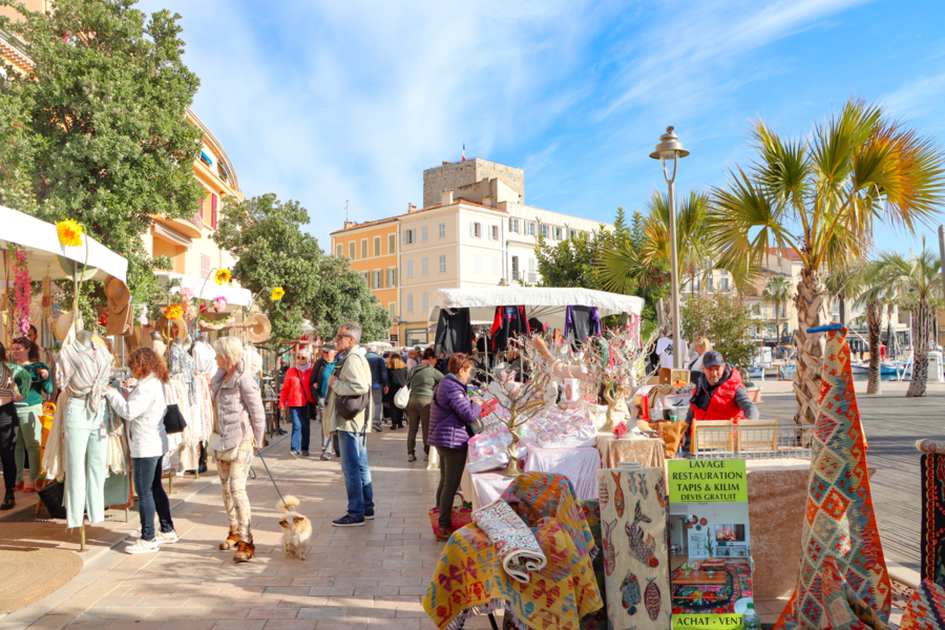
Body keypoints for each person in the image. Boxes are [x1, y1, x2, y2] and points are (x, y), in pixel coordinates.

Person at [104, 348, 177, 554]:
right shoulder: (155, 382)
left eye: (132, 366)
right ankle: (167, 529)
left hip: (146, 445)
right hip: (154, 442)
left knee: (144, 492)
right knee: (154, 488)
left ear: (141, 364)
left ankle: (148, 537)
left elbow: (129, 411)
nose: (131, 370)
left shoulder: (147, 386)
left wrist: (111, 393)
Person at [210, 336, 266, 562]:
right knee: (225, 489)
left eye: (216, 354)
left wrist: (258, 441)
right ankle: (233, 530)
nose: (214, 358)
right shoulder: (220, 377)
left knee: (237, 488)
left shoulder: (245, 380)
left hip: (241, 440)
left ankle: (246, 540)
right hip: (221, 440)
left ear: (227, 357)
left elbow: (257, 412)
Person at [427, 353, 483, 541]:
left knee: (445, 482)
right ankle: (443, 527)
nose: (469, 375)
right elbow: (468, 415)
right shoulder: (452, 387)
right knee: (450, 484)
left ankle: (440, 520)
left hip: (444, 437)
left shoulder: (447, 383)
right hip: (451, 439)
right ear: (461, 371)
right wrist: (477, 404)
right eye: (468, 372)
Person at [324, 322, 375, 527]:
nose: (335, 340)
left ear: (351, 339)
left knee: (350, 466)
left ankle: (355, 512)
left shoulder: (352, 358)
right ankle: (366, 507)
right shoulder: (352, 356)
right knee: (360, 464)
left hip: (350, 420)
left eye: (339, 337)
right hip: (355, 420)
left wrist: (334, 383)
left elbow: (359, 386)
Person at [10, 337, 53, 492]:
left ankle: (34, 478)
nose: (14, 351)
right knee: (16, 446)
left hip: (31, 408)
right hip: (12, 408)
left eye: (18, 348)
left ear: (28, 349)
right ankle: (18, 478)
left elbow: (48, 389)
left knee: (32, 445)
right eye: (13, 349)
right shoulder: (10, 367)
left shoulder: (38, 366)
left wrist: (46, 378)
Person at [686, 350, 758, 424]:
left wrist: (750, 422)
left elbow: (750, 407)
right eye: (710, 369)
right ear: (703, 368)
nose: (714, 373)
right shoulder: (700, 386)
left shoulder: (735, 388)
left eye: (717, 369)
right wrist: (684, 431)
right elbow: (690, 416)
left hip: (725, 433)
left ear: (723, 366)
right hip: (697, 433)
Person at [405, 348, 443, 463]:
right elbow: (445, 381)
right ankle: (427, 453)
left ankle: (410, 453)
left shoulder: (413, 369)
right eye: (435, 359)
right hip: (426, 402)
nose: (436, 362)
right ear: (431, 358)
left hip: (412, 401)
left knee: (412, 428)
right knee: (426, 428)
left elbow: (407, 383)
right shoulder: (432, 371)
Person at [0, 344, 27, 510]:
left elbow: (25, 384)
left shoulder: (8, 369)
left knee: (7, 456)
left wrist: (18, 394)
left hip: (5, 413)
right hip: (7, 411)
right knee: (7, 456)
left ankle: (10, 492)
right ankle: (9, 493)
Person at [279, 348, 316, 458]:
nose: (300, 359)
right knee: (297, 426)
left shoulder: (312, 371)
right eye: (298, 357)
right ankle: (295, 449)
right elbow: (285, 389)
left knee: (305, 426)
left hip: (307, 402)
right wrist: (282, 403)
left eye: (303, 357)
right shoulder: (291, 371)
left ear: (308, 359)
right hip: (294, 403)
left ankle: (305, 448)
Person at [309, 343, 338, 460]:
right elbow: (312, 381)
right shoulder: (319, 363)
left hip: (337, 399)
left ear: (334, 352)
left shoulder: (341, 363)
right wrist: (318, 398)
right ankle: (326, 451)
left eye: (327, 352)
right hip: (323, 399)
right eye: (323, 352)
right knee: (325, 425)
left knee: (337, 424)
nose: (324, 354)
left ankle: (338, 449)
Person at [365, 347, 389, 433]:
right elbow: (383, 372)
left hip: (365, 384)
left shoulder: (363, 357)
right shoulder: (379, 358)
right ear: (375, 350)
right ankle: (375, 421)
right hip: (377, 384)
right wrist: (386, 384)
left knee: (365, 403)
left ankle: (365, 422)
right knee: (377, 402)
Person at [386, 355, 408, 430]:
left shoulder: (388, 368)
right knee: (400, 405)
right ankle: (400, 423)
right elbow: (407, 378)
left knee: (393, 406)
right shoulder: (404, 368)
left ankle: (394, 423)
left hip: (392, 388)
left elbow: (387, 379)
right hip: (401, 388)